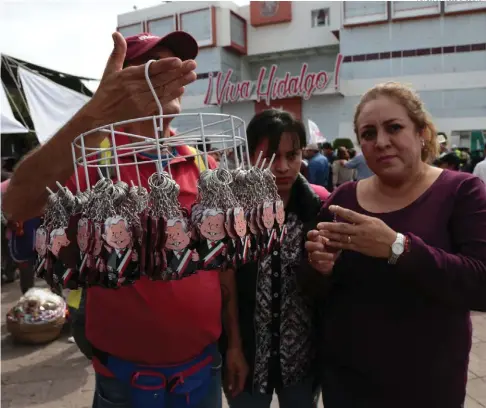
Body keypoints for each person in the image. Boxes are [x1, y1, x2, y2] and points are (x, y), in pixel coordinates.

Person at [3, 31, 224, 408]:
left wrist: (233, 344)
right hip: (126, 382)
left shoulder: (202, 162)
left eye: (175, 66)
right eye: (154, 70)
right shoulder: (91, 161)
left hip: (204, 372)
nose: (169, 79)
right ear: (120, 83)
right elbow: (17, 204)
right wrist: (95, 115)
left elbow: (222, 266)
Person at [303, 82, 486, 408]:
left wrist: (398, 247)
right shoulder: (343, 199)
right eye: (369, 133)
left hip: (428, 385)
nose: (381, 142)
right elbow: (314, 289)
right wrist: (319, 268)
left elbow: (480, 284)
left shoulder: (462, 192)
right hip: (348, 384)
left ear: (422, 133)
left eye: (394, 127)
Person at [221, 109, 329, 408]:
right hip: (248, 357)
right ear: (250, 155)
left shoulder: (317, 209)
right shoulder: (233, 211)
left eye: (292, 155)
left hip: (303, 360)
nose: (282, 167)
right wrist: (233, 348)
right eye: (269, 156)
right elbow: (226, 280)